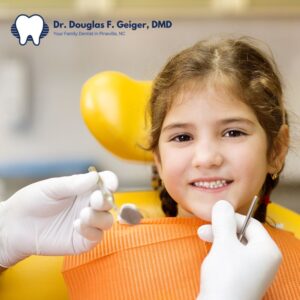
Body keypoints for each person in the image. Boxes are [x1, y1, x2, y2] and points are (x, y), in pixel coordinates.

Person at [0, 36, 299, 299]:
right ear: (158, 157)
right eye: (182, 137)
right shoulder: (94, 246)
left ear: (276, 148)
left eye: (233, 132)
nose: (206, 157)